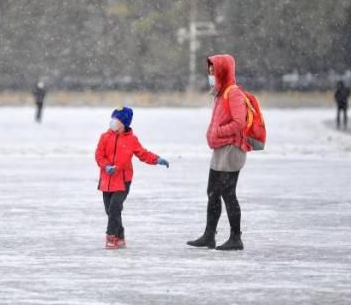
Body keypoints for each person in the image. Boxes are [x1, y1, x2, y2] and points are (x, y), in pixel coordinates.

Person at [187, 54, 250, 251]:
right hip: (220, 148)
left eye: (214, 70)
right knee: (212, 191)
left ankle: (235, 238)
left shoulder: (234, 93)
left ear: (223, 71)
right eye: (209, 70)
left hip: (232, 149)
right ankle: (209, 235)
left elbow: (239, 123)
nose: (210, 74)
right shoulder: (219, 93)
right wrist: (212, 134)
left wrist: (217, 132)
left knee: (228, 192)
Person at [95, 106, 170, 249]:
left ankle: (110, 237)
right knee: (109, 211)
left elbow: (143, 154)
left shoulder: (131, 140)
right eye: (113, 119)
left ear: (124, 123)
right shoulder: (104, 137)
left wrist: (156, 159)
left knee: (115, 208)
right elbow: (99, 155)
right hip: (106, 180)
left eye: (116, 120)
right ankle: (120, 235)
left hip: (123, 181)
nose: (113, 122)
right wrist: (105, 166)